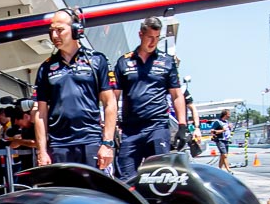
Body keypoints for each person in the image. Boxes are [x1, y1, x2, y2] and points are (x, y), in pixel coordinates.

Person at [35, 10, 118, 168]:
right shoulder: (45, 68)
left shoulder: (97, 60)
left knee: (94, 192)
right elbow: (41, 113)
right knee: (63, 192)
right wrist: (42, 151)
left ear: (76, 30)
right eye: (51, 31)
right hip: (59, 146)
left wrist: (107, 144)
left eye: (59, 30)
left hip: (90, 142)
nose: (54, 36)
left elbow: (110, 103)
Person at [114, 17, 188, 177]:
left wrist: (182, 126)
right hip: (130, 130)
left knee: (161, 178)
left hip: (157, 127)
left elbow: (176, 95)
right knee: (125, 179)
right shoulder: (124, 62)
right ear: (141, 34)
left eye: (157, 38)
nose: (153, 42)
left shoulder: (167, 62)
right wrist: (111, 127)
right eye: (150, 37)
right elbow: (113, 98)